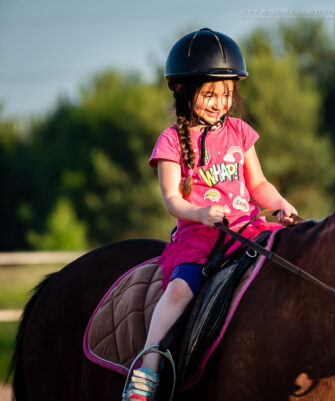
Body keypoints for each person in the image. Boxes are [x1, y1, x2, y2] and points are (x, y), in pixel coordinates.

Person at [123, 28, 297, 401]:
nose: (220, 103)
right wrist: (200, 214)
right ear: (184, 91)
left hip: (248, 228)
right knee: (179, 291)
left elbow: (258, 184)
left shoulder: (241, 132)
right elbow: (172, 199)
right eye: (210, 94)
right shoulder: (171, 141)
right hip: (199, 236)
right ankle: (147, 368)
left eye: (227, 94)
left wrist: (280, 203)